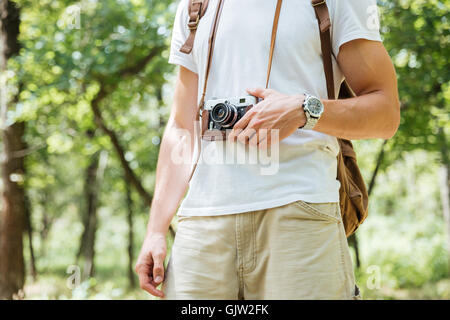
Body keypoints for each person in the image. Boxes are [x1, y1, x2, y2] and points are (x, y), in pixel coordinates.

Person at [135, 0, 400, 299]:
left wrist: (305, 110)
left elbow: (386, 114)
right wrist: (156, 230)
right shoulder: (195, 5)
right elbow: (182, 126)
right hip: (202, 223)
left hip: (298, 214)